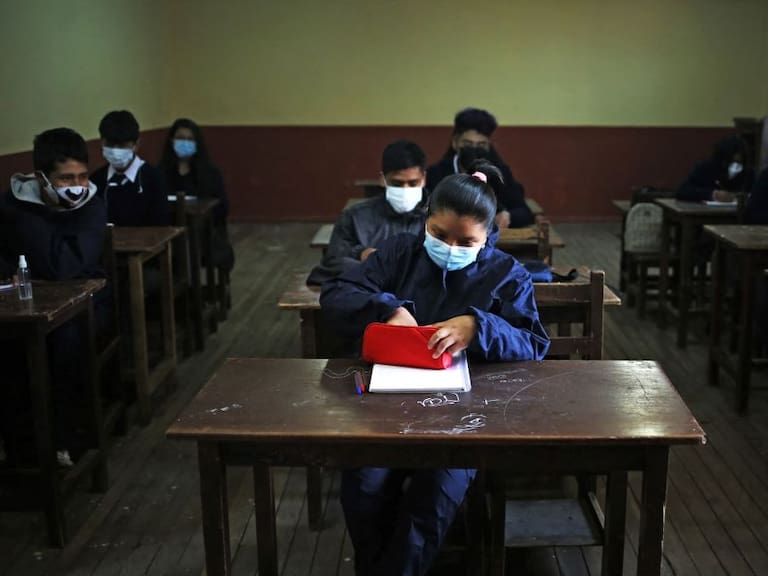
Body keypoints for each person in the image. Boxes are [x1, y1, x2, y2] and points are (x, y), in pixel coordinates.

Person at [320, 161, 550, 576]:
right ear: (425, 219)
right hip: (384, 408)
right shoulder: (398, 253)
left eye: (466, 241)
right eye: (439, 235)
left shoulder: (506, 274)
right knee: (362, 484)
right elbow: (338, 293)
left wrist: (479, 326)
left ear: (487, 237)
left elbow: (533, 342)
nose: (450, 246)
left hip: (465, 415)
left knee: (434, 496)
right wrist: (385, 307)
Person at [0, 127, 108, 467]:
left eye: (81, 176)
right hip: (23, 303)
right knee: (10, 348)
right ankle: (18, 445)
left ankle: (64, 439)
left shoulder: (91, 205)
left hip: (84, 303)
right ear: (41, 179)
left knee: (65, 343)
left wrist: (25, 227)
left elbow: (66, 265)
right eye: (64, 179)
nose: (76, 186)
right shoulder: (11, 204)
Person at [307, 140, 428, 285]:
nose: (405, 189)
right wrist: (361, 254)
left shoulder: (436, 216)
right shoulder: (356, 217)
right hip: (368, 292)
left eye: (413, 183)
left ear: (423, 179)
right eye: (397, 184)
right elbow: (333, 261)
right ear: (382, 180)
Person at [426, 107, 534, 228]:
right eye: (468, 144)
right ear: (455, 143)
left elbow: (524, 212)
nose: (474, 149)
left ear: (488, 146)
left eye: (481, 144)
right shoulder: (437, 173)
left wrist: (508, 216)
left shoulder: (500, 173)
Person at [158, 118, 234, 271]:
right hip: (169, 233)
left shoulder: (210, 173)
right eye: (180, 138)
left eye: (189, 139)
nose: (184, 142)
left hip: (203, 235)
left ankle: (188, 285)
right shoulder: (159, 173)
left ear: (197, 142)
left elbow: (223, 207)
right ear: (171, 140)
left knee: (191, 239)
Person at [91, 110, 170, 226]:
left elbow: (161, 225)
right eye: (110, 144)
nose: (115, 150)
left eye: (122, 145)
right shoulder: (96, 180)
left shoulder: (154, 178)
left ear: (136, 145)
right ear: (102, 142)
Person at [677, 135, 755, 202]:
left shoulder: (748, 173)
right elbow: (682, 191)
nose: (735, 166)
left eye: (739, 163)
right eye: (731, 162)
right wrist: (713, 194)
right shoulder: (706, 168)